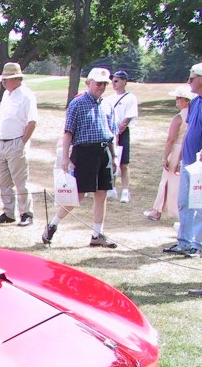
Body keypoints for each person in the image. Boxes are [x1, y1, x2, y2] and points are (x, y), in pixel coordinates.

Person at [42, 67, 119, 249]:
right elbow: (68, 132)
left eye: (104, 84)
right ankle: (53, 224)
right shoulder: (77, 104)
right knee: (78, 195)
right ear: (89, 83)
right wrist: (65, 157)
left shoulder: (108, 105)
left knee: (102, 194)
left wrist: (114, 156)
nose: (101, 87)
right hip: (84, 152)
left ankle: (97, 234)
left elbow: (111, 133)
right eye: (98, 83)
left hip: (103, 151)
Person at [0, 62, 38, 227]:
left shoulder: (26, 95)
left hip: (16, 141)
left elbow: (32, 122)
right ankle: (8, 212)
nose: (4, 82)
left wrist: (22, 142)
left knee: (20, 181)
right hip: (2, 141)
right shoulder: (6, 95)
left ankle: (26, 213)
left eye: (7, 79)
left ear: (16, 79)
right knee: (3, 180)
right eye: (3, 79)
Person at [166, 62, 202, 257]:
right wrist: (179, 156)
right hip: (188, 160)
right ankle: (184, 242)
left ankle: (198, 244)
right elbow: (189, 131)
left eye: (192, 78)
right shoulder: (195, 102)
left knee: (199, 204)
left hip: (200, 164)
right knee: (184, 202)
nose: (189, 82)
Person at [144, 85, 194, 223]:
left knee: (167, 181)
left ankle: (159, 211)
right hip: (191, 149)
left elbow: (171, 139)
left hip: (178, 149)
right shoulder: (195, 115)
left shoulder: (179, 117)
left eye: (179, 98)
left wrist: (165, 157)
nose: (176, 101)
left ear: (187, 100)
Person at [106, 69, 138, 203]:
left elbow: (128, 118)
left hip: (122, 132)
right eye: (113, 80)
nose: (114, 83)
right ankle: (112, 187)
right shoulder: (109, 99)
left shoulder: (130, 97)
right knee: (111, 160)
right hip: (111, 131)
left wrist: (119, 132)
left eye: (117, 80)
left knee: (123, 162)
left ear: (124, 82)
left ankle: (125, 191)